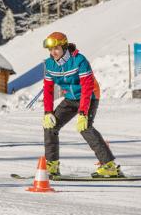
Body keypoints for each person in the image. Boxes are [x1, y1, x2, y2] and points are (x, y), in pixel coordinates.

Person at [42, 32, 123, 178]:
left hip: (90, 96)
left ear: (64, 47)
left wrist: (83, 113)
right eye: (50, 49)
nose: (53, 52)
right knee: (50, 125)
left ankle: (109, 166)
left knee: (84, 127)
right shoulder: (49, 64)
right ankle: (52, 165)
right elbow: (48, 90)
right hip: (70, 98)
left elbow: (87, 87)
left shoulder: (79, 60)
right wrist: (48, 112)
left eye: (56, 48)